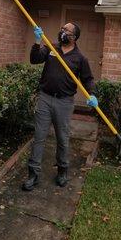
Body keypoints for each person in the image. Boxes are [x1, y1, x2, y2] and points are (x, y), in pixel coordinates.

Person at [22, 22, 98, 191]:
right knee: (39, 137)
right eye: (62, 28)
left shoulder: (80, 58)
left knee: (62, 138)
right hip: (45, 98)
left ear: (74, 37)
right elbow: (34, 60)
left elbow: (88, 79)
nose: (62, 32)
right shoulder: (51, 48)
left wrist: (92, 94)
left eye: (67, 31)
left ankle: (62, 170)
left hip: (64, 103)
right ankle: (33, 174)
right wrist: (36, 42)